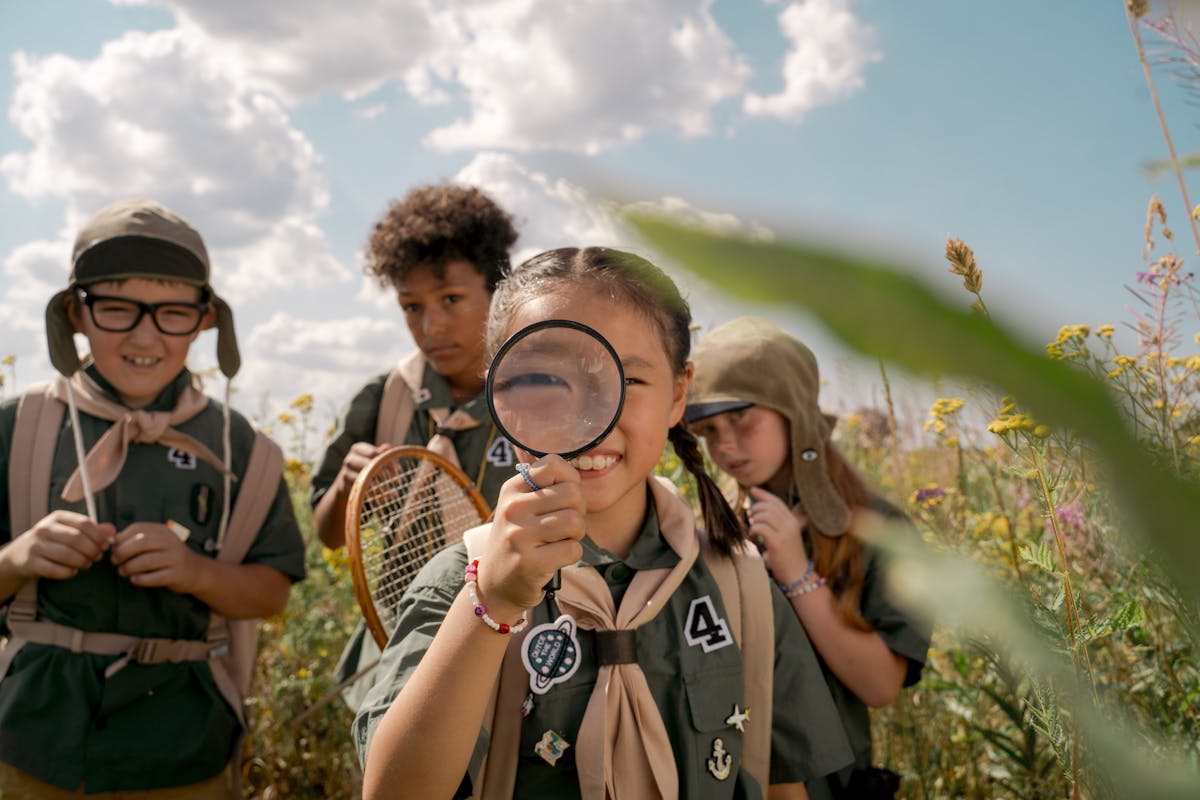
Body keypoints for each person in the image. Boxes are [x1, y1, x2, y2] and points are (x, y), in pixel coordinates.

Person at [355, 248, 854, 799]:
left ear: (678, 395)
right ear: (499, 392)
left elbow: (782, 784)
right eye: (544, 380)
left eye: (631, 381)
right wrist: (490, 606)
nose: (590, 419)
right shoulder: (461, 586)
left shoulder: (742, 585)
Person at [0, 198, 306, 797]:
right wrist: (17, 559)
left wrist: (195, 572)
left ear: (206, 320)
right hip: (31, 746)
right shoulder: (18, 429)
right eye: (116, 309)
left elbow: (270, 592)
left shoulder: (242, 449)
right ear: (75, 315)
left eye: (172, 313)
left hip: (184, 751)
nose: (145, 336)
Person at [685, 316, 931, 800]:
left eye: (742, 419)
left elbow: (881, 686)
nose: (726, 445)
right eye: (710, 429)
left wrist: (796, 573)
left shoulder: (879, 529)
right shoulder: (710, 528)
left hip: (831, 783)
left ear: (793, 411)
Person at [310, 183, 519, 707]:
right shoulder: (384, 400)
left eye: (451, 299)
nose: (431, 327)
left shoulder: (537, 399)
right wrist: (348, 489)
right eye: (411, 307)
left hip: (512, 662)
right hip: (394, 659)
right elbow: (329, 535)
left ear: (499, 291)